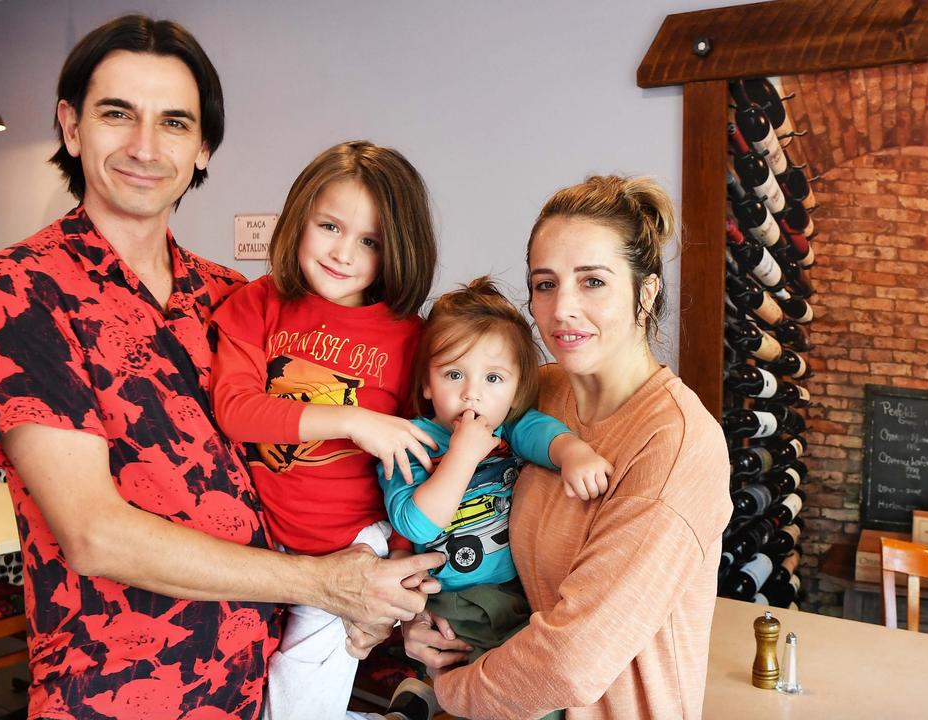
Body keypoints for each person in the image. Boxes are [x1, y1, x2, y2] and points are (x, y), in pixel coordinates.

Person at [0, 16, 440, 720]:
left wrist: (383, 601)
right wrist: (324, 584)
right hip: (115, 692)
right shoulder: (23, 289)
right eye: (117, 114)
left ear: (205, 147)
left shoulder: (232, 296)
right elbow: (93, 534)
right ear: (71, 127)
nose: (145, 146)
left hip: (256, 682)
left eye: (176, 123)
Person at [381, 175, 732, 718]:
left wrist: (445, 691)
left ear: (646, 292)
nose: (563, 307)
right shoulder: (533, 393)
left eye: (592, 281)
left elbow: (571, 661)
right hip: (495, 693)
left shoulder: (676, 445)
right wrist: (422, 623)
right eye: (545, 284)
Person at [208, 140, 444, 719]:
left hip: (352, 549)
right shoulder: (258, 304)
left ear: (399, 252)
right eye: (330, 226)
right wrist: (354, 421)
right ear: (298, 220)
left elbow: (420, 464)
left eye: (370, 241)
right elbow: (235, 409)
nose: (344, 253)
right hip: (256, 543)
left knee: (297, 706)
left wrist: (398, 581)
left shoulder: (411, 338)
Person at [378, 276, 612, 720]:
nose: (473, 392)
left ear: (516, 387)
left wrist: (574, 453)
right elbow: (415, 523)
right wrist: (462, 454)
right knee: (515, 697)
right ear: (426, 384)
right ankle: (428, 695)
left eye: (493, 378)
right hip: (456, 602)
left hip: (521, 593)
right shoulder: (411, 442)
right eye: (453, 374)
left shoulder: (510, 429)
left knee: (537, 681)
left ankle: (422, 698)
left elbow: (544, 433)